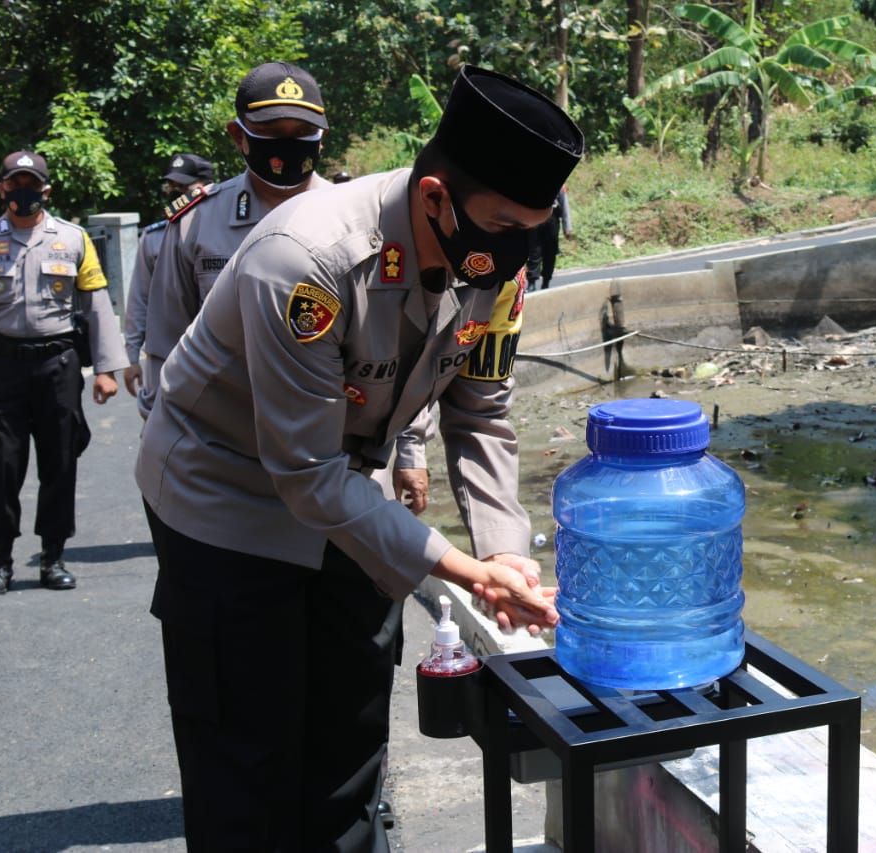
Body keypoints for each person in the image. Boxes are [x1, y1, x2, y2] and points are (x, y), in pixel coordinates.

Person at [135, 64, 581, 850]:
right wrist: (458, 569)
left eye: (533, 229)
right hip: (224, 490)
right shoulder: (306, 259)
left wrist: (504, 558)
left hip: (350, 485)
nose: (518, 251)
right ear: (437, 197)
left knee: (350, 745)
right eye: (508, 226)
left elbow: (477, 413)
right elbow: (302, 472)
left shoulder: (495, 262)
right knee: (248, 757)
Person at [138, 61, 333, 419]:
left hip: (330, 427)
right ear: (237, 135)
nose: (288, 144)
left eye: (303, 131)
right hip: (223, 429)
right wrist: (157, 421)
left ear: (321, 139)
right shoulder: (195, 221)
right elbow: (166, 339)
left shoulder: (353, 219)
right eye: (272, 132)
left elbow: (391, 346)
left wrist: (409, 449)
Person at [0, 150, 125, 594]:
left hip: (58, 365)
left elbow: (97, 305)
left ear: (46, 191)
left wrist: (107, 369)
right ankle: (0, 562)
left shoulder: (73, 239)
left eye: (31, 184)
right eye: (15, 184)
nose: (23, 192)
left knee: (60, 461)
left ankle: (53, 557)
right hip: (2, 367)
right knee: (1, 466)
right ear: (2, 189)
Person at [122, 152, 214, 399]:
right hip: (165, 356)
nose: (175, 193)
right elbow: (139, 298)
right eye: (171, 186)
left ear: (205, 187)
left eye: (183, 186)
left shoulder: (222, 235)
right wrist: (131, 356)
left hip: (216, 357)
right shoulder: (153, 238)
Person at [525, 184, 572, 290]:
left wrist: (567, 227)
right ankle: (531, 282)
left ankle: (546, 281)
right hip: (534, 217)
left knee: (550, 252)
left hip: (552, 218)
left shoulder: (560, 185)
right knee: (534, 251)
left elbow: (564, 204)